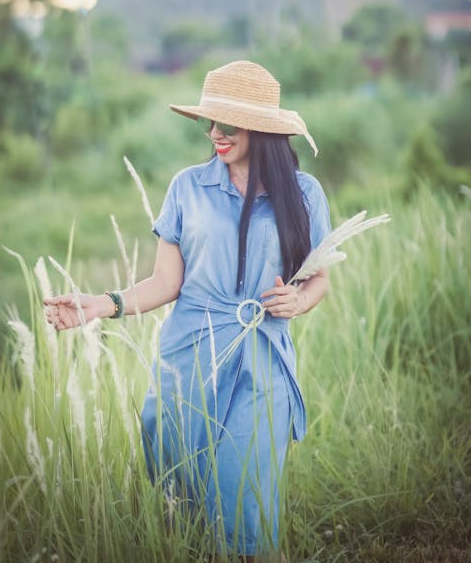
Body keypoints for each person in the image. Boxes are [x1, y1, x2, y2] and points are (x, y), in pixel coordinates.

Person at [44, 60, 331, 562]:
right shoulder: (187, 187)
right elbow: (166, 283)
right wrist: (101, 305)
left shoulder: (304, 195)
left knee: (244, 498)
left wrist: (300, 300)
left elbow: (319, 277)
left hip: (262, 360)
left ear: (262, 130)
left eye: (227, 125)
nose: (214, 134)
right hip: (189, 357)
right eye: (208, 123)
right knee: (186, 497)